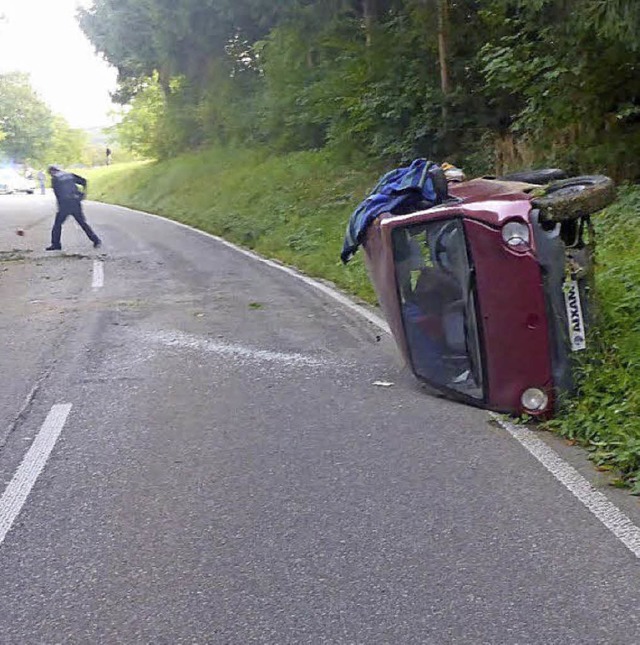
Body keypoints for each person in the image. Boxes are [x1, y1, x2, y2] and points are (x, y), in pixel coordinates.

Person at [46, 165, 101, 251]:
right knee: (82, 223)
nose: (51, 175)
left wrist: (60, 207)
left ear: (52, 172)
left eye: (50, 173)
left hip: (65, 204)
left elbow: (58, 194)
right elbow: (84, 181)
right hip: (75, 202)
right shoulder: (70, 175)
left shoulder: (55, 179)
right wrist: (83, 194)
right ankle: (96, 240)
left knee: (57, 225)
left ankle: (56, 244)